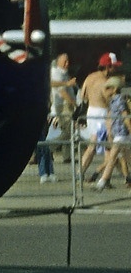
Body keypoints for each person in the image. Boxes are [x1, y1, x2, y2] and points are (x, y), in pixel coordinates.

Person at [78, 53, 119, 182]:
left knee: (103, 146)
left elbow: (83, 96)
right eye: (113, 67)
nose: (115, 69)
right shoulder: (106, 82)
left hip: (91, 112)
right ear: (107, 67)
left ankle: (102, 177)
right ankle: (84, 173)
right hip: (102, 114)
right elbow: (109, 100)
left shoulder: (90, 77)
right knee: (99, 145)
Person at [41, 53, 75, 183]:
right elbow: (60, 90)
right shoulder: (56, 72)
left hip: (65, 106)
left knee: (70, 131)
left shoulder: (63, 72)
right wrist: (73, 102)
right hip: (61, 106)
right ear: (58, 61)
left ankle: (66, 155)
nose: (67, 63)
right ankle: (51, 147)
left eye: (68, 61)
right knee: (68, 130)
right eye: (65, 61)